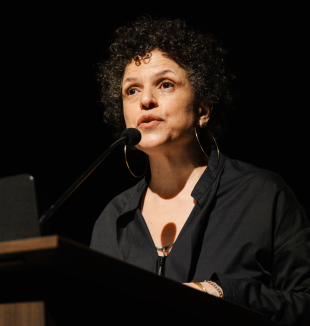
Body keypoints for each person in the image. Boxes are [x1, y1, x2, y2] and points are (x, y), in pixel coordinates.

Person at [90, 16, 310, 325]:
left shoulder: (261, 195)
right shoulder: (113, 221)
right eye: (132, 91)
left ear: (203, 110)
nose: (146, 101)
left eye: (165, 85)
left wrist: (220, 293)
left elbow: (303, 303)